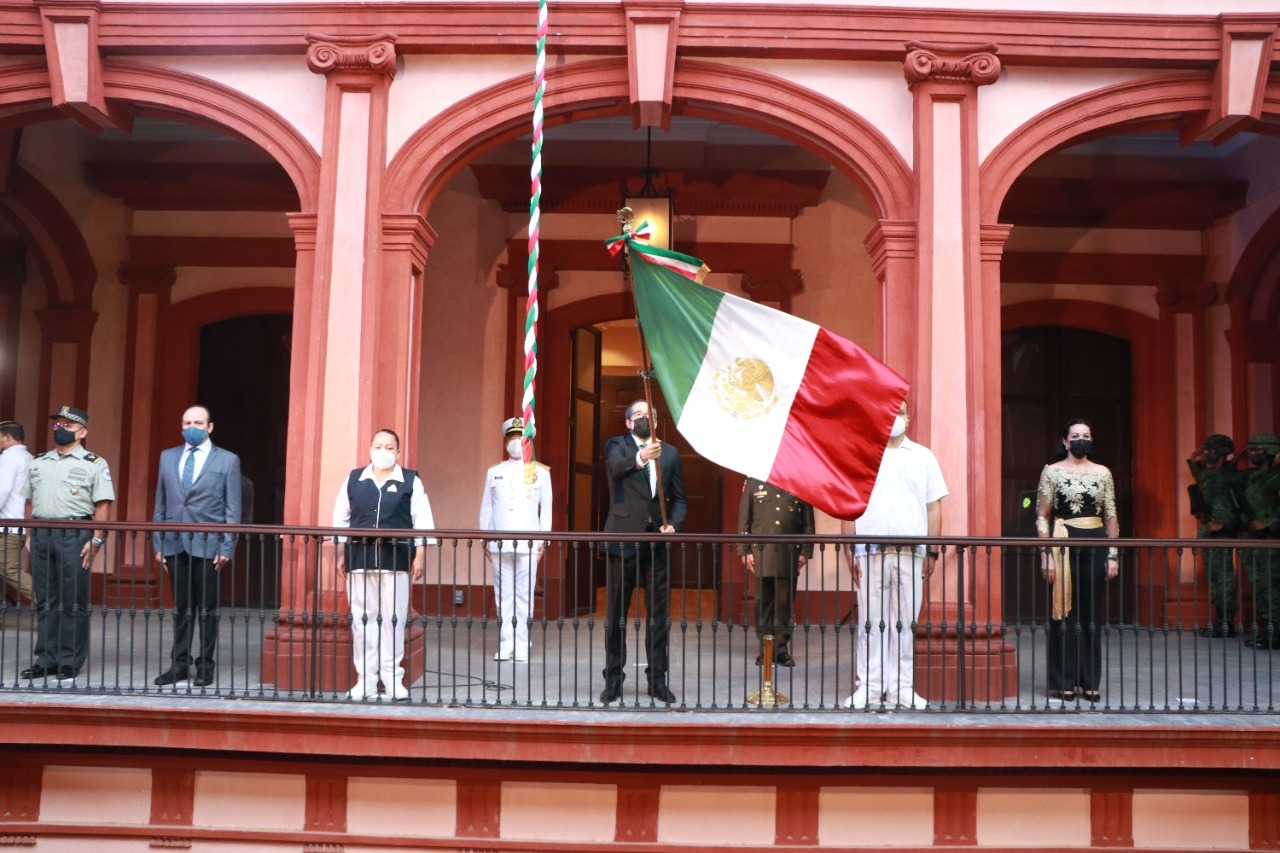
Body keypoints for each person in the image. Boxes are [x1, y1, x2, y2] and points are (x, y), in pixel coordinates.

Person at [841, 399, 947, 710]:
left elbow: (933, 507)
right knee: (870, 622)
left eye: (899, 412)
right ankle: (869, 687)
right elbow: (848, 505)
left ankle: (902, 688)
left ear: (908, 418)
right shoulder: (862, 454)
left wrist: (932, 552)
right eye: (889, 412)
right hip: (869, 551)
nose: (894, 417)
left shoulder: (923, 457)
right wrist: (849, 550)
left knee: (906, 623)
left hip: (911, 553)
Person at [333, 429, 435, 701]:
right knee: (362, 620)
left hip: (396, 560)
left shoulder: (410, 481)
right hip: (359, 558)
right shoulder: (354, 479)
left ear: (398, 453)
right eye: (378, 446)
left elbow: (422, 520)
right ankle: (365, 680)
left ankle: (392, 679)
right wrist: (341, 553)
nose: (383, 451)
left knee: (393, 619)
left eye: (389, 447)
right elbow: (341, 519)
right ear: (370, 449)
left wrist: (420, 555)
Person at [599, 399, 687, 705]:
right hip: (622, 539)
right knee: (616, 614)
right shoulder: (617, 445)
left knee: (658, 616)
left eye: (649, 415)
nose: (644, 419)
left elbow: (680, 499)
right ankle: (613, 679)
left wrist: (673, 524)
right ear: (628, 422)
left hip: (656, 543)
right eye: (638, 415)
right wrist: (641, 457)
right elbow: (615, 469)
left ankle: (657, 680)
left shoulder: (670, 453)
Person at [20, 406, 115, 681]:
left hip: (75, 534)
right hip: (42, 534)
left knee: (73, 600)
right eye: (57, 425)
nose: (60, 429)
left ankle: (70, 660)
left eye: (68, 425)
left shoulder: (94, 463)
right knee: (45, 599)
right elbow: (29, 501)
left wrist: (96, 539)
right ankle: (46, 659)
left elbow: (102, 505)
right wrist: (30, 534)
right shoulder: (38, 462)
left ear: (82, 432)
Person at [151, 405, 243, 687]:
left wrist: (227, 548)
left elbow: (233, 509)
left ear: (210, 427)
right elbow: (161, 503)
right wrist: (158, 543)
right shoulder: (168, 456)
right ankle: (179, 664)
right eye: (187, 422)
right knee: (181, 608)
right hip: (174, 543)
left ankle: (205, 665)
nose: (192, 427)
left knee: (207, 609)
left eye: (198, 423)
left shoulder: (227, 460)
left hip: (209, 545)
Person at [1036, 418, 1120, 704]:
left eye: (1086, 435)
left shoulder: (1103, 472)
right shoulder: (1052, 471)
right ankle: (1064, 681)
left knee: (1090, 613)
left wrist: (1113, 554)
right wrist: (1045, 554)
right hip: (1062, 543)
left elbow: (1110, 514)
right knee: (1063, 613)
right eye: (1075, 436)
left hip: (1095, 543)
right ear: (1065, 441)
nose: (1081, 440)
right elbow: (1041, 515)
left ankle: (1089, 681)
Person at [479, 417, 552, 662]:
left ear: (528, 442)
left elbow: (546, 510)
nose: (515, 442)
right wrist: (485, 539)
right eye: (511, 438)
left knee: (524, 594)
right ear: (505, 442)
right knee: (503, 595)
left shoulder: (540, 472)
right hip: (499, 543)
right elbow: (487, 508)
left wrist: (543, 541)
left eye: (520, 438)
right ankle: (506, 643)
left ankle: (521, 643)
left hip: (528, 544)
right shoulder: (494, 471)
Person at [737, 478, 813, 668]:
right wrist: (744, 550)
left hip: (788, 553)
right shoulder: (753, 483)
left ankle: (781, 649)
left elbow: (808, 523)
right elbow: (745, 520)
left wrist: (805, 551)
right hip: (761, 554)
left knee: (784, 603)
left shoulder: (799, 482)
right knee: (763, 603)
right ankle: (766, 649)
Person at [1187, 434, 1242, 638]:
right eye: (1206, 451)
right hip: (1208, 530)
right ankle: (1220, 621)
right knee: (1214, 577)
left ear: (1222, 453)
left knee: (1223, 578)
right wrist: (1194, 462)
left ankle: (1226, 623)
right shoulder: (1210, 474)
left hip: (1222, 531)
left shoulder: (1230, 475)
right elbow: (1201, 476)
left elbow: (1236, 504)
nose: (1207, 454)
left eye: (1211, 451)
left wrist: (1222, 523)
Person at [1241, 434, 1280, 650]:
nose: (1253, 454)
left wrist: (1268, 524)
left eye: (1258, 450)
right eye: (1251, 450)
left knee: (1272, 588)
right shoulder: (1253, 476)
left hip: (1270, 539)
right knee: (1261, 587)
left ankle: (1276, 632)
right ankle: (1270, 630)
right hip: (1253, 540)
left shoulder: (1276, 476)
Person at [0, 421, 34, 603]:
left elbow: (2, 489)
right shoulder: (29, 457)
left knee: (8, 568)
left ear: (7, 437)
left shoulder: (9, 457)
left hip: (7, 525)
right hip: (18, 523)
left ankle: (49, 601)